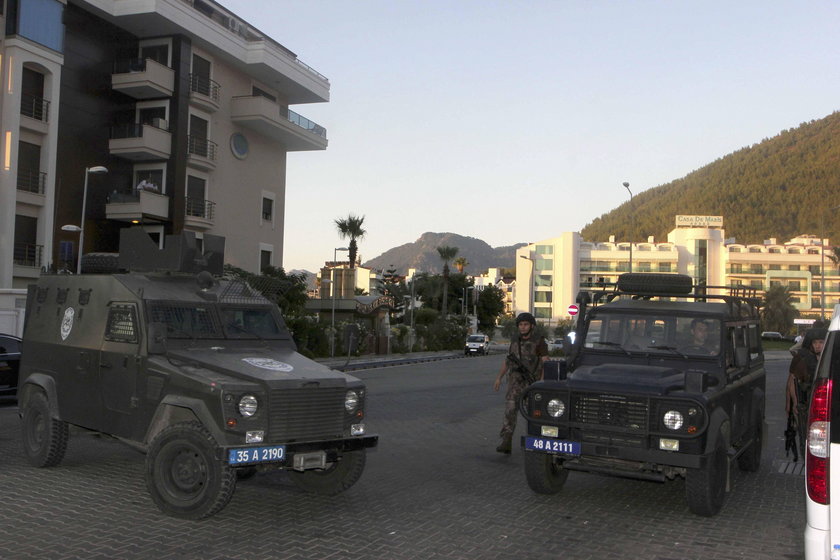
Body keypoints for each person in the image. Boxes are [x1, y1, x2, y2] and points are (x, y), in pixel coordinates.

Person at [492, 312, 548, 454]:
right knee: (510, 410)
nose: (522, 328)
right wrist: (499, 377)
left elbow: (545, 363)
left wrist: (541, 382)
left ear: (532, 326)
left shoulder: (539, 342)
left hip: (532, 384)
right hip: (515, 382)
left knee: (534, 413)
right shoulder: (515, 341)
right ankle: (506, 440)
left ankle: (535, 441)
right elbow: (508, 360)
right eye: (520, 325)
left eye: (525, 324)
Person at [786, 328, 827, 458]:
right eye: (815, 342)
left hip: (825, 406)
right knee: (806, 440)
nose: (818, 345)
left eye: (821, 342)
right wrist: (794, 403)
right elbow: (792, 382)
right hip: (806, 406)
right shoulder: (804, 359)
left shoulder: (830, 358)